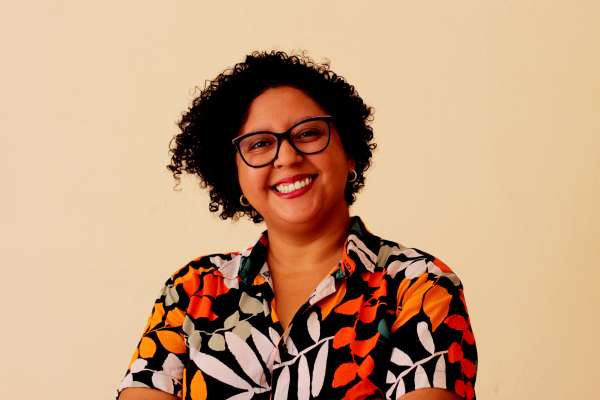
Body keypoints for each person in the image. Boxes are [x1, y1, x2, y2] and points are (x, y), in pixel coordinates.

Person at [117, 51, 477, 400]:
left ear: (349, 151)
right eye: (260, 144)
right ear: (234, 174)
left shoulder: (419, 286)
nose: (287, 157)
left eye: (308, 134)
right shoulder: (192, 291)